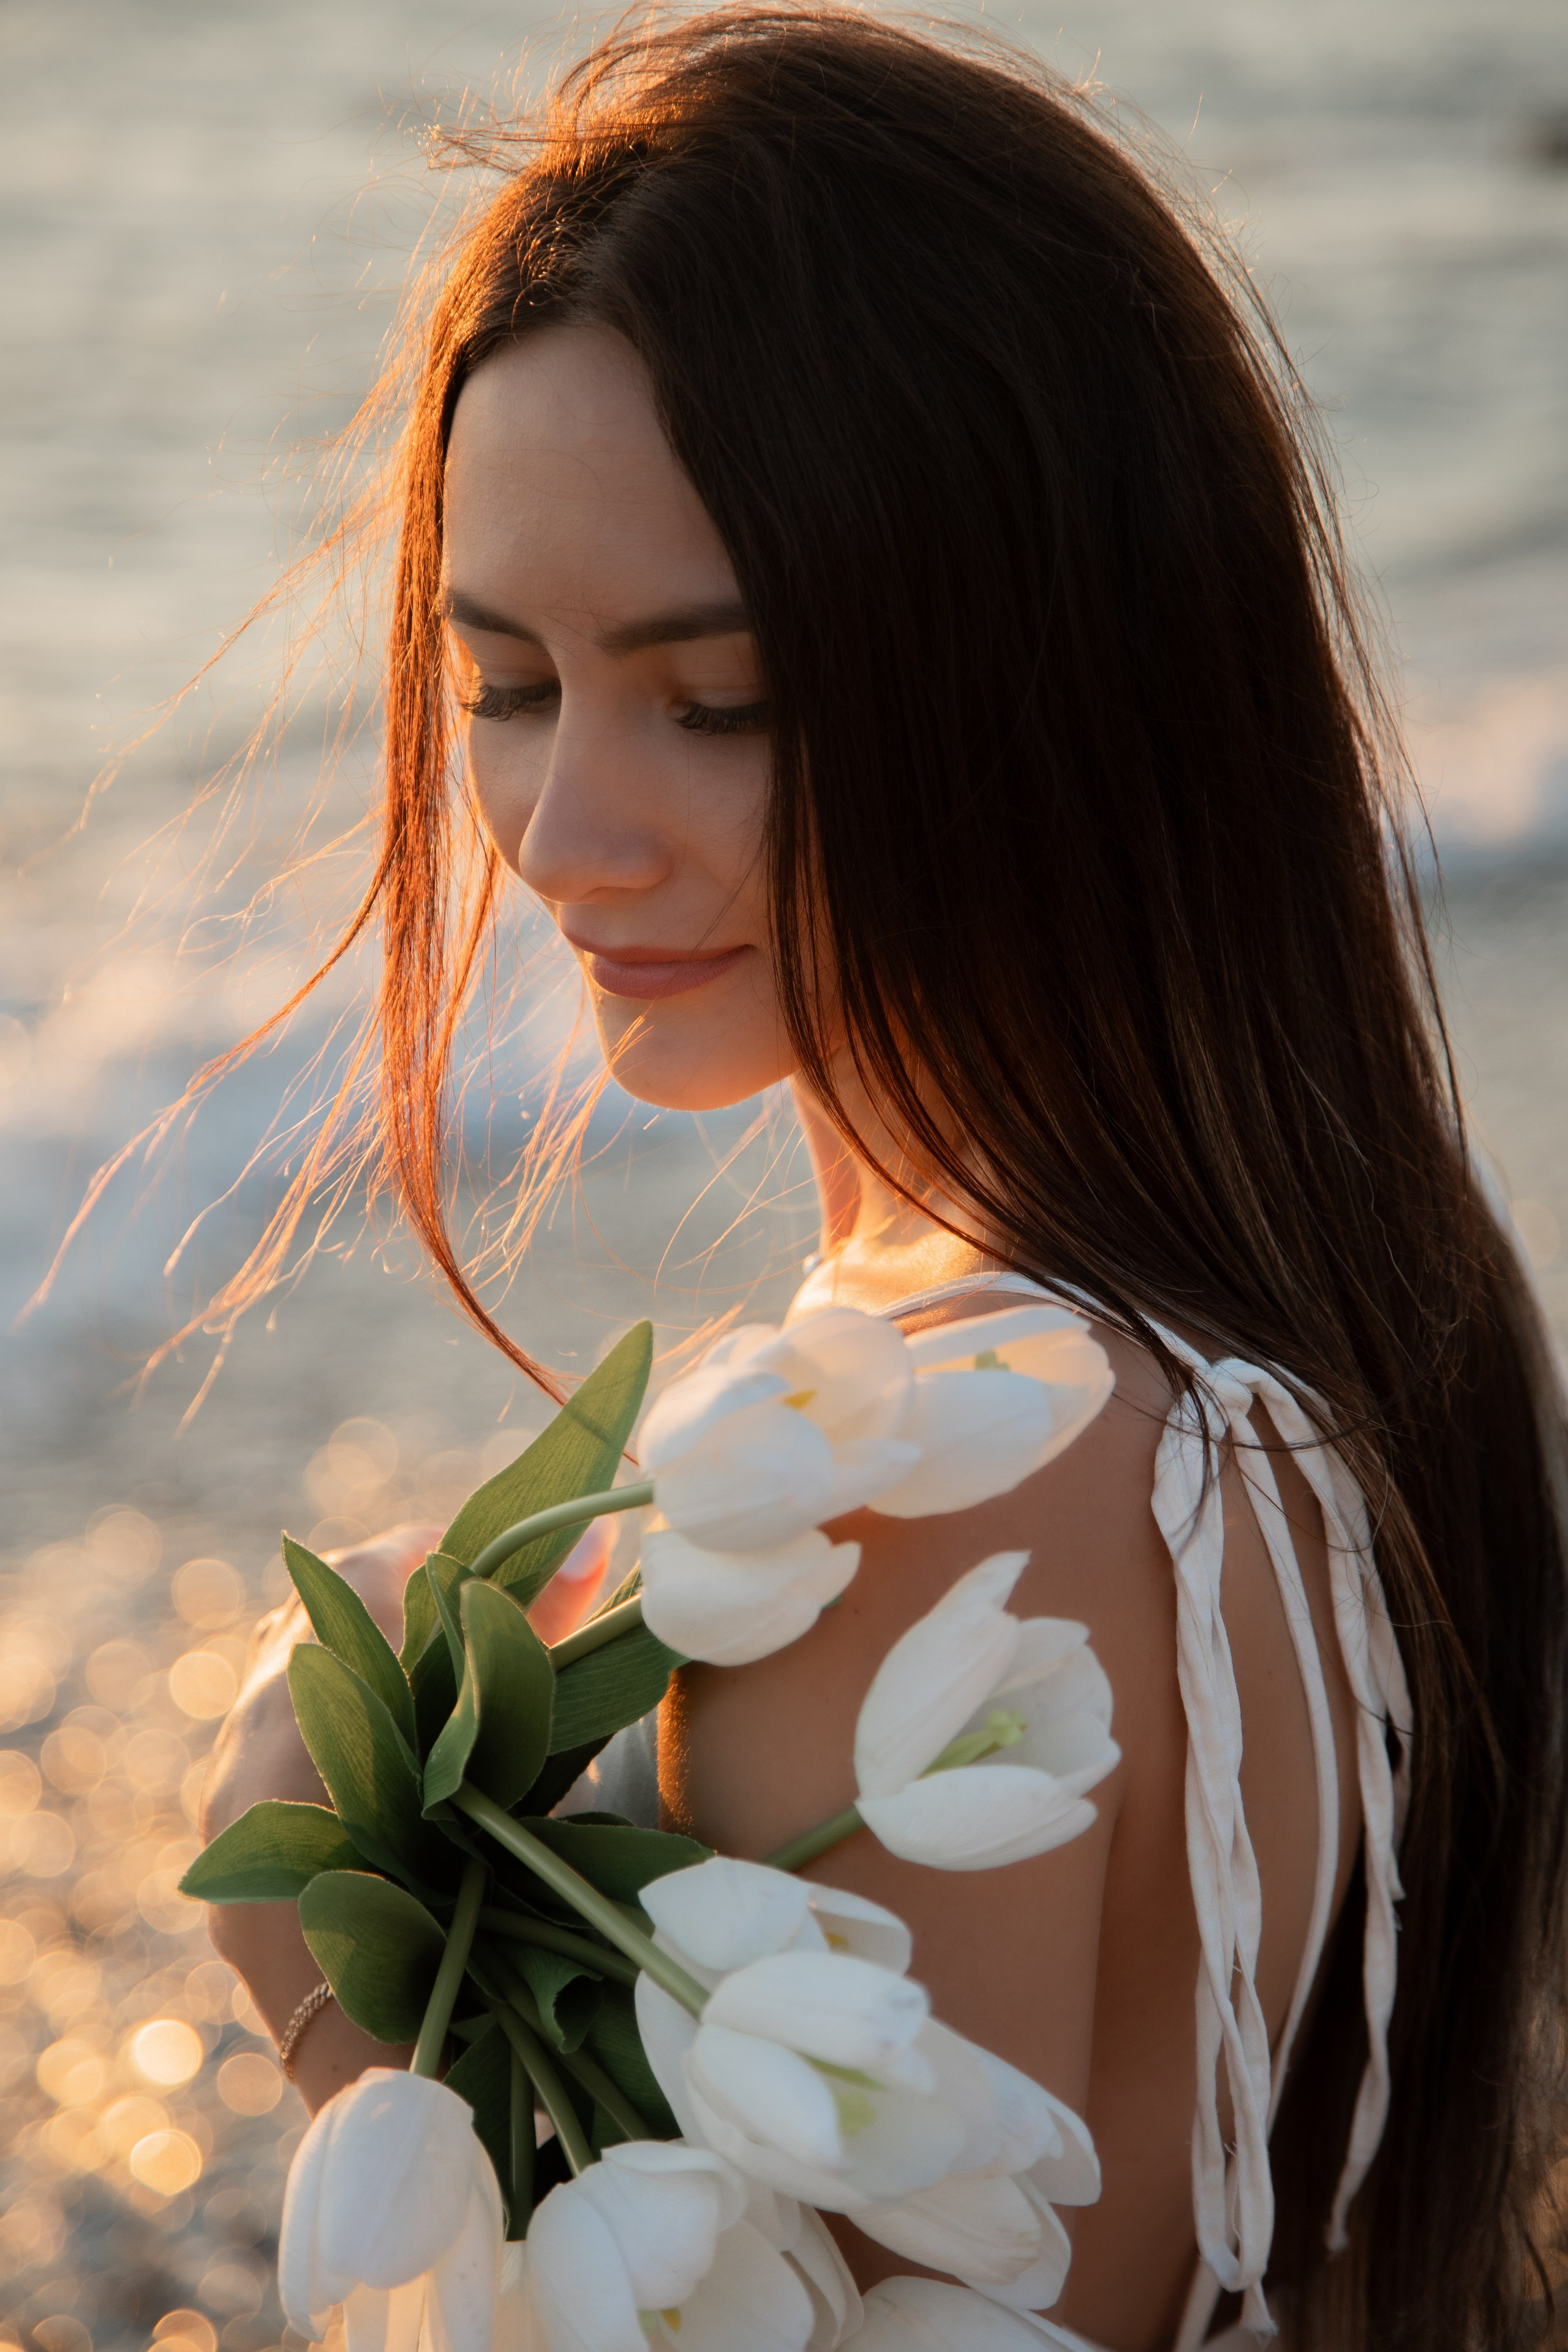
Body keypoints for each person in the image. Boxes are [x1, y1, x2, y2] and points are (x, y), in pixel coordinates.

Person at [195, 10, 1568, 2348]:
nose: (560, 834)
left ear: (1050, 673)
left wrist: (341, 1943)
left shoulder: (911, 1488)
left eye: (716, 699)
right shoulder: (1367, 1322)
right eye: (504, 682)